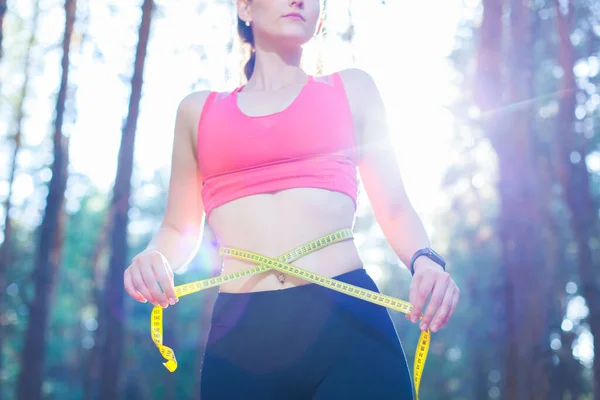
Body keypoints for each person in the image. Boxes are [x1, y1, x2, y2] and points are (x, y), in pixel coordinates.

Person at [123, 0, 460, 398]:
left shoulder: (352, 89)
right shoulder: (198, 112)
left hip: (349, 326)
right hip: (242, 342)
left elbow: (395, 207)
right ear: (245, 7)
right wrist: (154, 257)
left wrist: (425, 261)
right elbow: (178, 228)